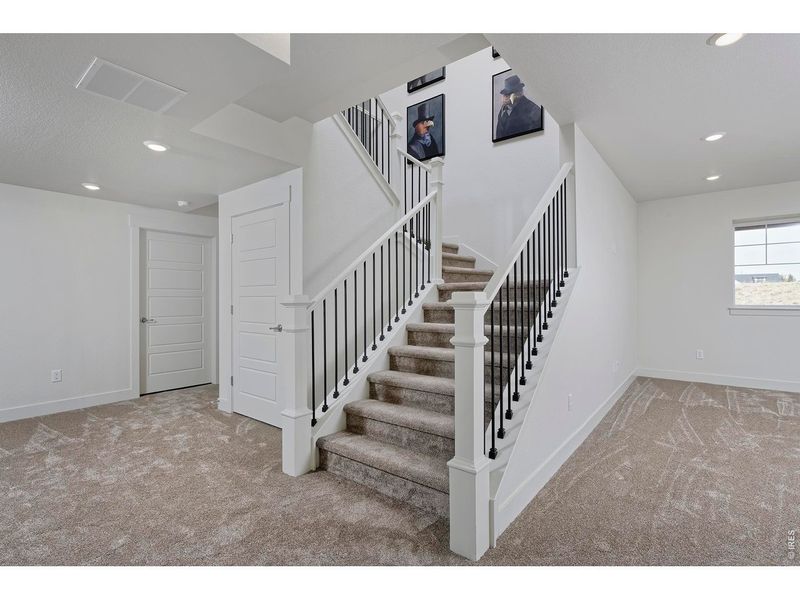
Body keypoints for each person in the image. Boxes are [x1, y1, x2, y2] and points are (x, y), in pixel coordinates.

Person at [495, 74, 542, 140]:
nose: (505, 97)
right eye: (505, 94)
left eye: (508, 93)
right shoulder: (503, 110)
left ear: (518, 93)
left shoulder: (533, 110)